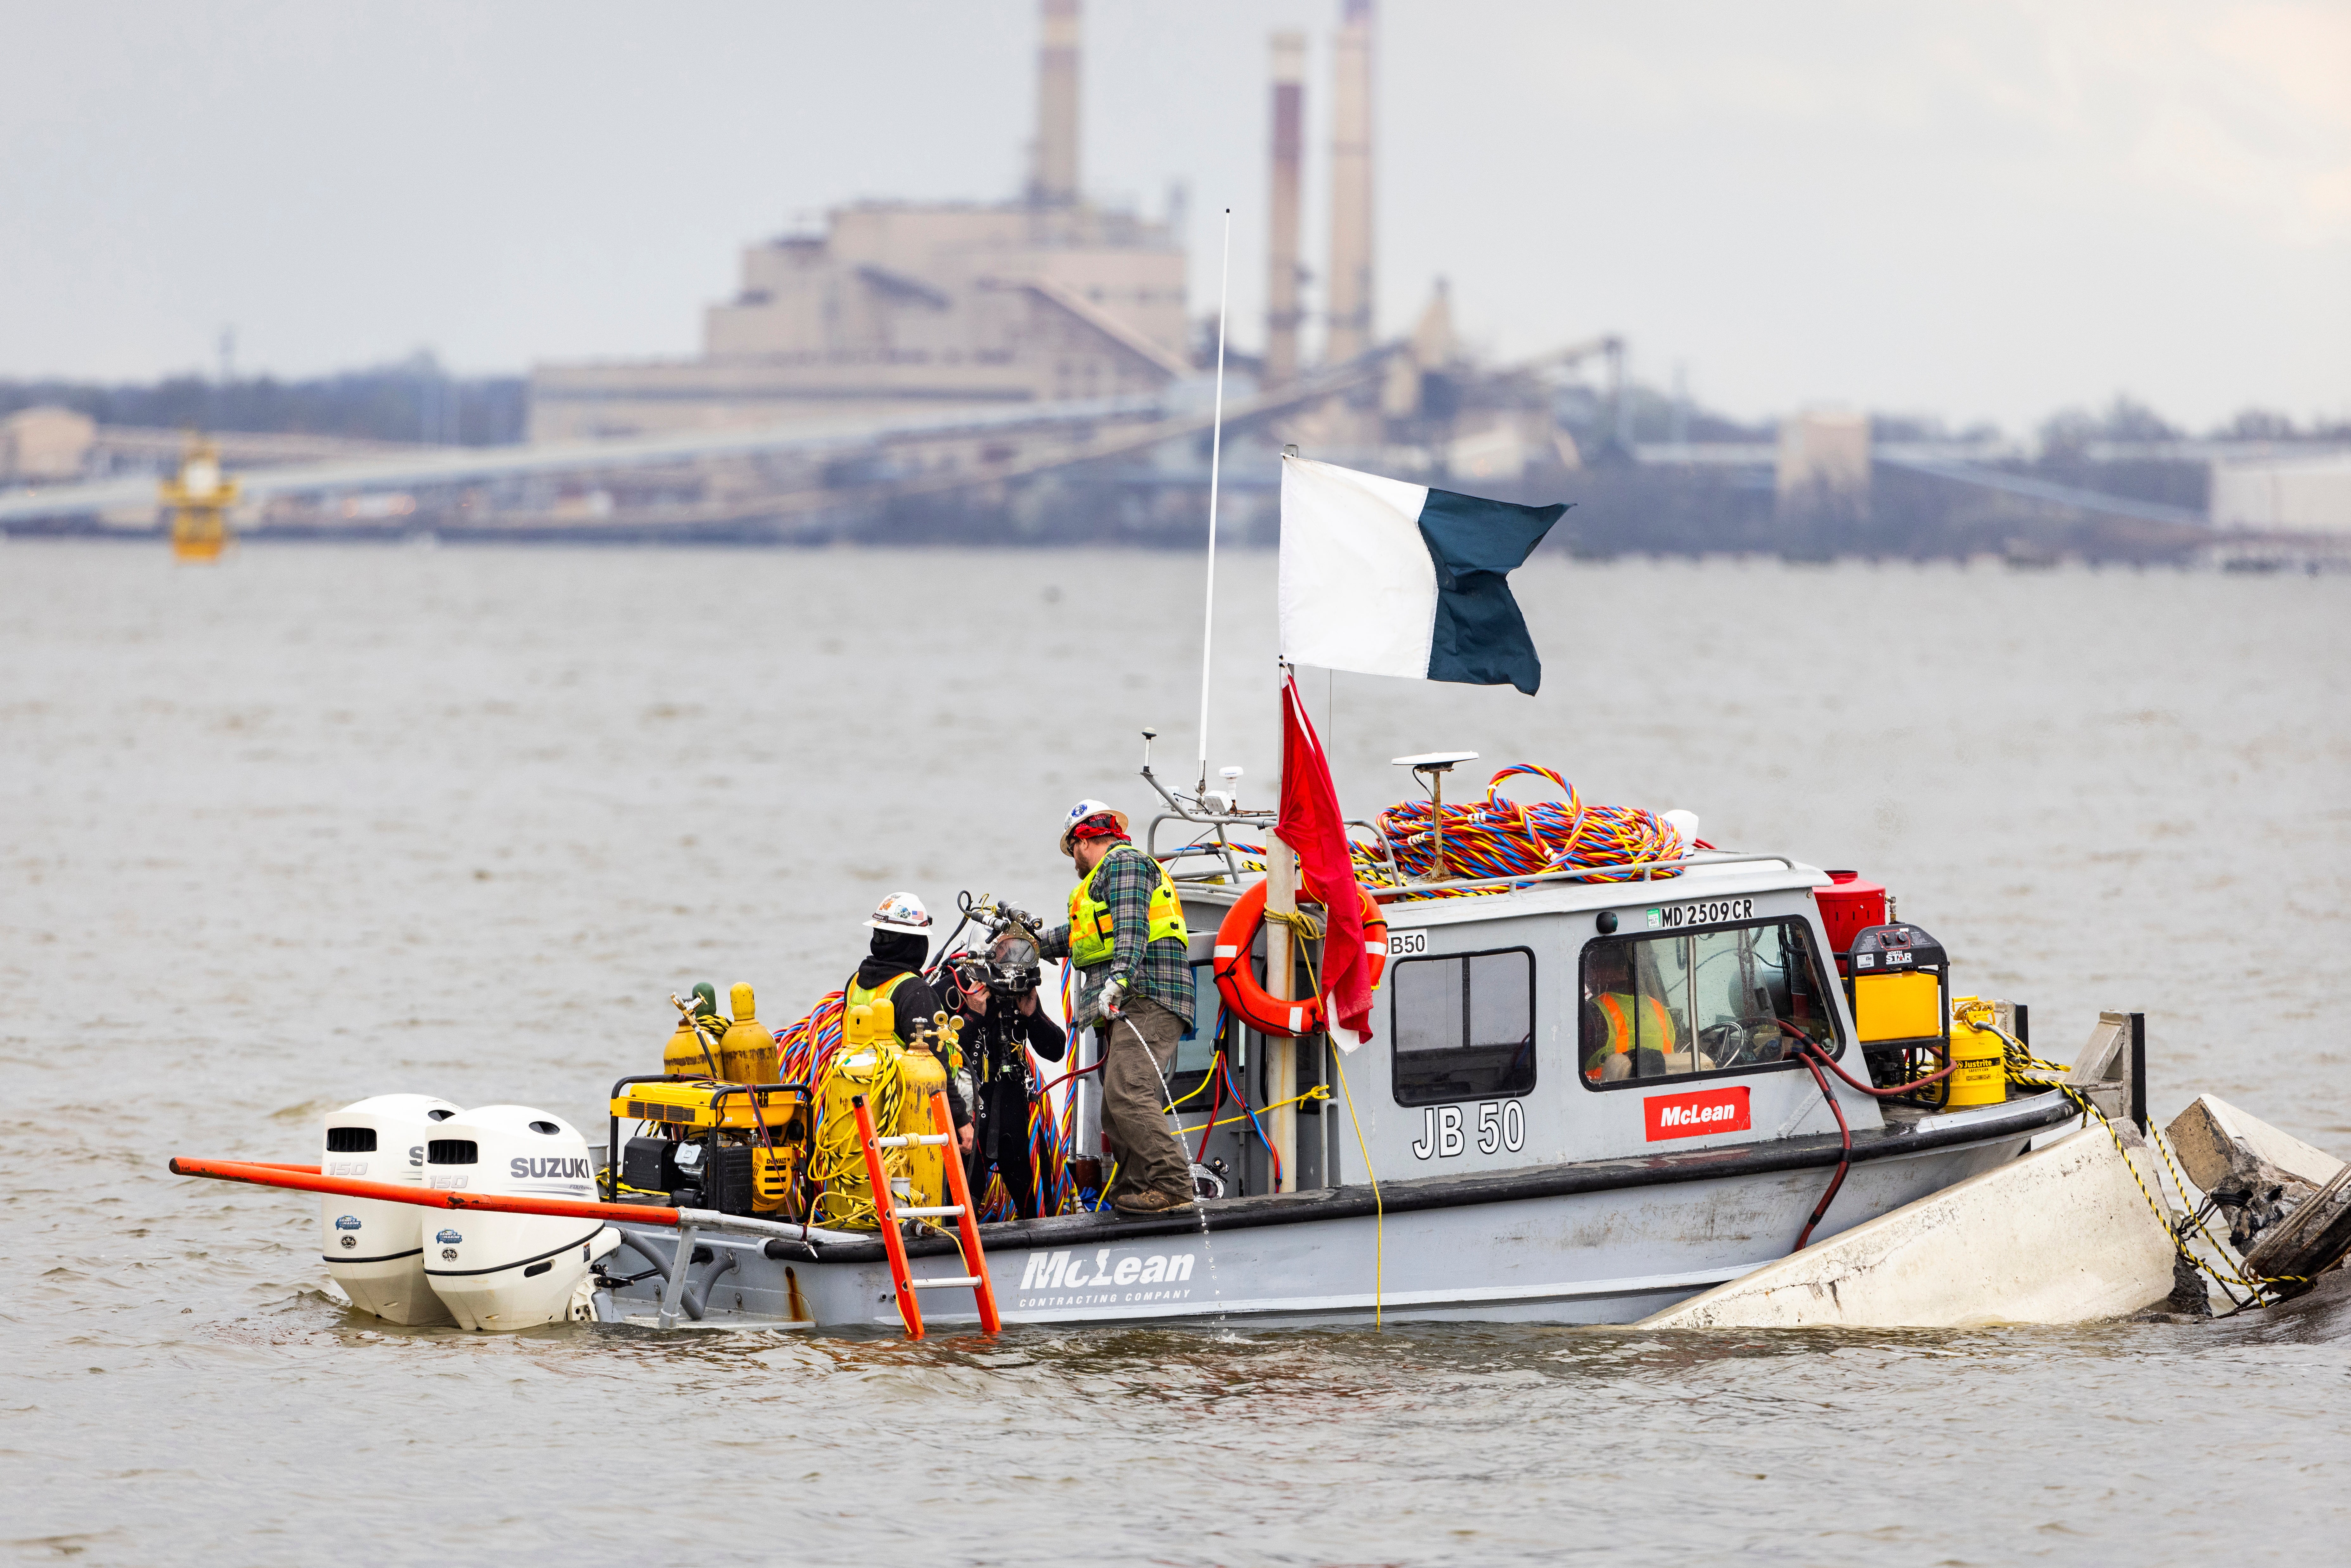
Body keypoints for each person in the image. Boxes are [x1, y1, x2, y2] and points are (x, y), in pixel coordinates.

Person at [1036, 800, 1195, 1217]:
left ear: (1082, 841)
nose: (1073, 860)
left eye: (1071, 849)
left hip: (1147, 996)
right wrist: (1031, 945)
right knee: (1114, 1103)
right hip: (1137, 1000)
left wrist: (1118, 979)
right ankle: (1134, 1190)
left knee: (1127, 1091)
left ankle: (1172, 1184)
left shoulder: (1122, 864)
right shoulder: (1108, 879)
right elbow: (1083, 937)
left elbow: (1131, 927)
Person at [941, 930, 1067, 1220]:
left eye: (1018, 952)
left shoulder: (1017, 988)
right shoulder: (954, 988)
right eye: (1003, 951)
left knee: (1038, 1203)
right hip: (968, 1120)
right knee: (961, 1208)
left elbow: (1056, 1050)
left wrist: (1032, 1015)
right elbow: (936, 1056)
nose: (1011, 961)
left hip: (1012, 1114)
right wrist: (973, 1016)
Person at [846, 891, 972, 1152]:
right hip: (908, 1115)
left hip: (856, 1105)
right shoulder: (915, 993)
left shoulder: (856, 982)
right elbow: (935, 1065)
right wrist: (960, 1120)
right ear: (914, 944)